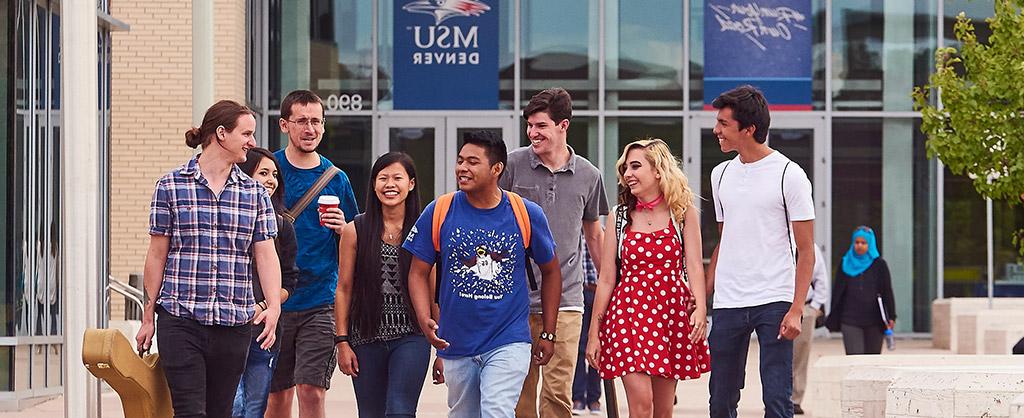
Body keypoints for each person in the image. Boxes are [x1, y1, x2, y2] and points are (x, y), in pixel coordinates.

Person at [136, 100, 282, 417]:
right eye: (246, 133)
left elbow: (266, 255)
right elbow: (157, 254)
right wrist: (148, 317)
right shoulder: (170, 186)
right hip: (180, 320)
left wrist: (274, 307)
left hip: (234, 325)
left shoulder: (254, 194)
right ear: (220, 133)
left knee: (220, 412)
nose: (252, 142)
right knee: (190, 412)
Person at [403, 130, 562, 418]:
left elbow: (551, 271)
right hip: (457, 341)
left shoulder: (525, 213)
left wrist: (550, 331)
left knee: (496, 410)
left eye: (472, 162)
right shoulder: (439, 210)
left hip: (508, 339)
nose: (462, 168)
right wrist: (424, 316)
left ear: (496, 169)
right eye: (460, 160)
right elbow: (417, 271)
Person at [706, 85, 816, 418]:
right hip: (728, 300)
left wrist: (797, 308)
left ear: (749, 129)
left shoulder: (789, 174)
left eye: (724, 124)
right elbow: (725, 239)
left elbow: (807, 250)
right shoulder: (720, 173)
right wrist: (704, 292)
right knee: (720, 400)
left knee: (777, 400)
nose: (716, 131)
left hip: (774, 299)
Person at [500, 88, 608, 418]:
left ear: (563, 125)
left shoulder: (589, 175)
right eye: (529, 125)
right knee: (519, 392)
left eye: (541, 126)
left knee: (558, 393)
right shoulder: (514, 165)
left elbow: (593, 234)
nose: (533, 133)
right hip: (515, 298)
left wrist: (610, 286)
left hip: (568, 300)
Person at [585, 138, 709, 418]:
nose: (627, 173)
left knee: (663, 411)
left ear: (658, 170)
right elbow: (606, 279)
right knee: (641, 407)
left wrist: (700, 307)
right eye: (625, 167)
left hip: (670, 314)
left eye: (635, 166)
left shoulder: (682, 212)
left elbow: (694, 265)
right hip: (628, 313)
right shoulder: (618, 217)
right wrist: (595, 333)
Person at [267, 90, 359, 418]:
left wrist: (342, 228)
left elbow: (354, 243)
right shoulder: (269, 171)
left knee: (311, 390)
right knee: (276, 396)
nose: (310, 129)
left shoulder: (337, 179)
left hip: (320, 302)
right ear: (284, 125)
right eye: (302, 121)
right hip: (272, 300)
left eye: (316, 121)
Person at [335, 152, 431, 417]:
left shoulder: (424, 230)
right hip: (365, 337)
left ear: (411, 184)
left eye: (397, 178)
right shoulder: (355, 229)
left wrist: (443, 346)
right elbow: (343, 287)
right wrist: (342, 341)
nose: (390, 184)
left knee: (400, 411)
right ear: (374, 184)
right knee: (370, 413)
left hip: (412, 335)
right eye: (383, 178)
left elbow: (433, 290)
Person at [232, 148, 300, 418]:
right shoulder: (227, 218)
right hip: (227, 328)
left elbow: (291, 281)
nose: (271, 180)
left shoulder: (283, 226)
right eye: (263, 172)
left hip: (264, 331)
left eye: (274, 174)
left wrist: (265, 305)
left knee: (254, 409)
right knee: (233, 407)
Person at [825, 226, 896, 355]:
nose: (859, 246)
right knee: (854, 358)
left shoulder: (879, 265)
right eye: (857, 242)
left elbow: (887, 292)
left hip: (874, 321)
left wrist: (891, 316)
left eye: (863, 243)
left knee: (871, 361)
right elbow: (837, 293)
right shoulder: (845, 263)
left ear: (870, 244)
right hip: (850, 320)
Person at [791, 244, 830, 415]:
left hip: (805, 308)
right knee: (775, 354)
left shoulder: (809, 247)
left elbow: (821, 278)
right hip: (777, 306)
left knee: (801, 353)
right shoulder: (772, 240)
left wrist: (814, 307)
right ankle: (776, 396)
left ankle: (795, 399)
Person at [571, 244, 601, 415]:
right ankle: (578, 397)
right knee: (579, 347)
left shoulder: (600, 233)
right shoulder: (574, 235)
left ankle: (594, 398)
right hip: (579, 293)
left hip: (597, 292)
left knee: (597, 346)